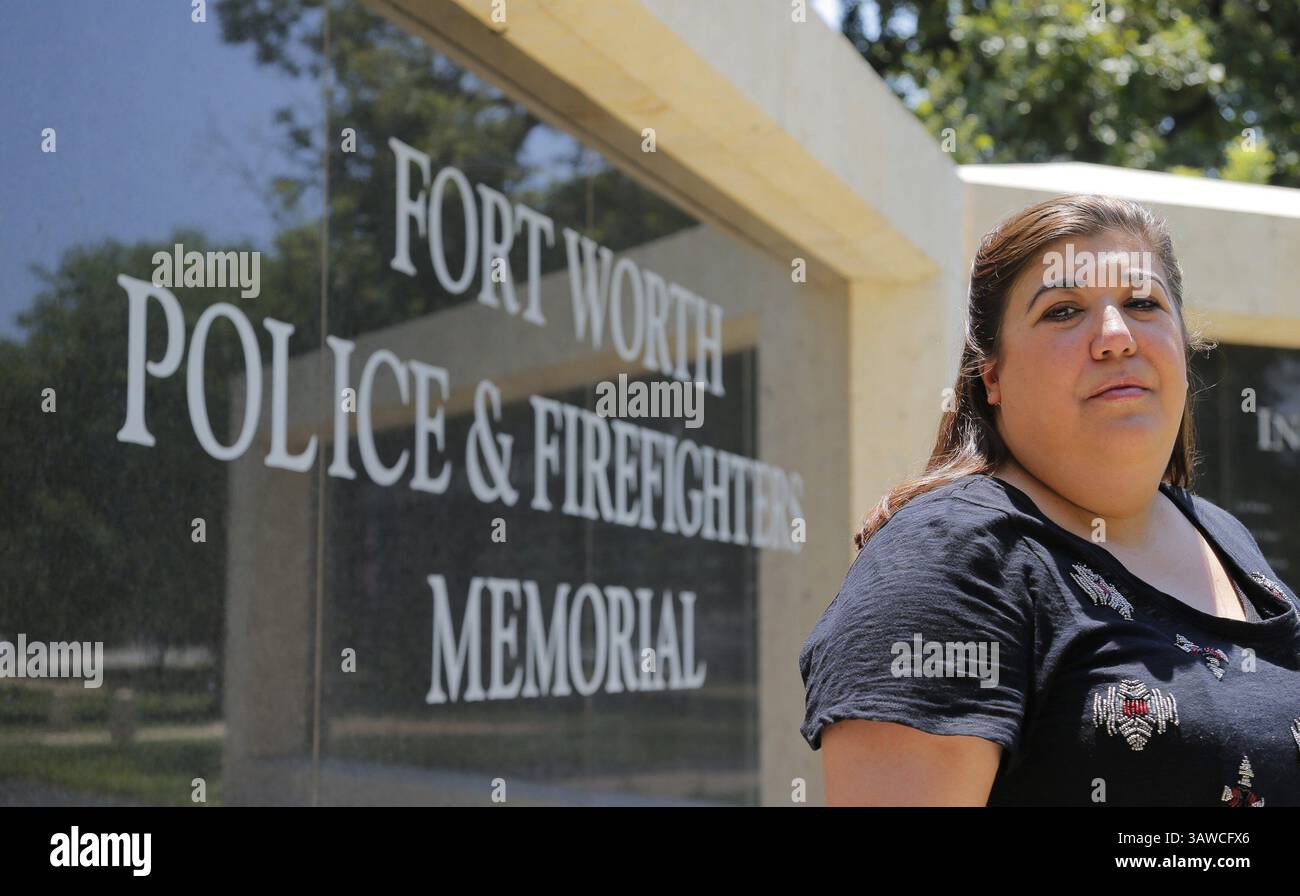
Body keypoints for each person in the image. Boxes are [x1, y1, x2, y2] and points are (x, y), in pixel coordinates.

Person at [798, 194, 1300, 806]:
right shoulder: (951, 562)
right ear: (993, 375)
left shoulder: (1224, 537)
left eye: (1143, 303)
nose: (1115, 336)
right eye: (1063, 311)